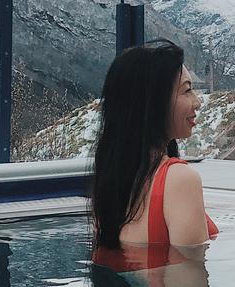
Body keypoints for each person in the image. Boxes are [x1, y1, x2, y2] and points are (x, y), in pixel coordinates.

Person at [91, 40, 219, 257]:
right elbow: (189, 284)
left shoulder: (110, 179)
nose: (197, 102)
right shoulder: (179, 179)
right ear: (154, 103)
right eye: (187, 91)